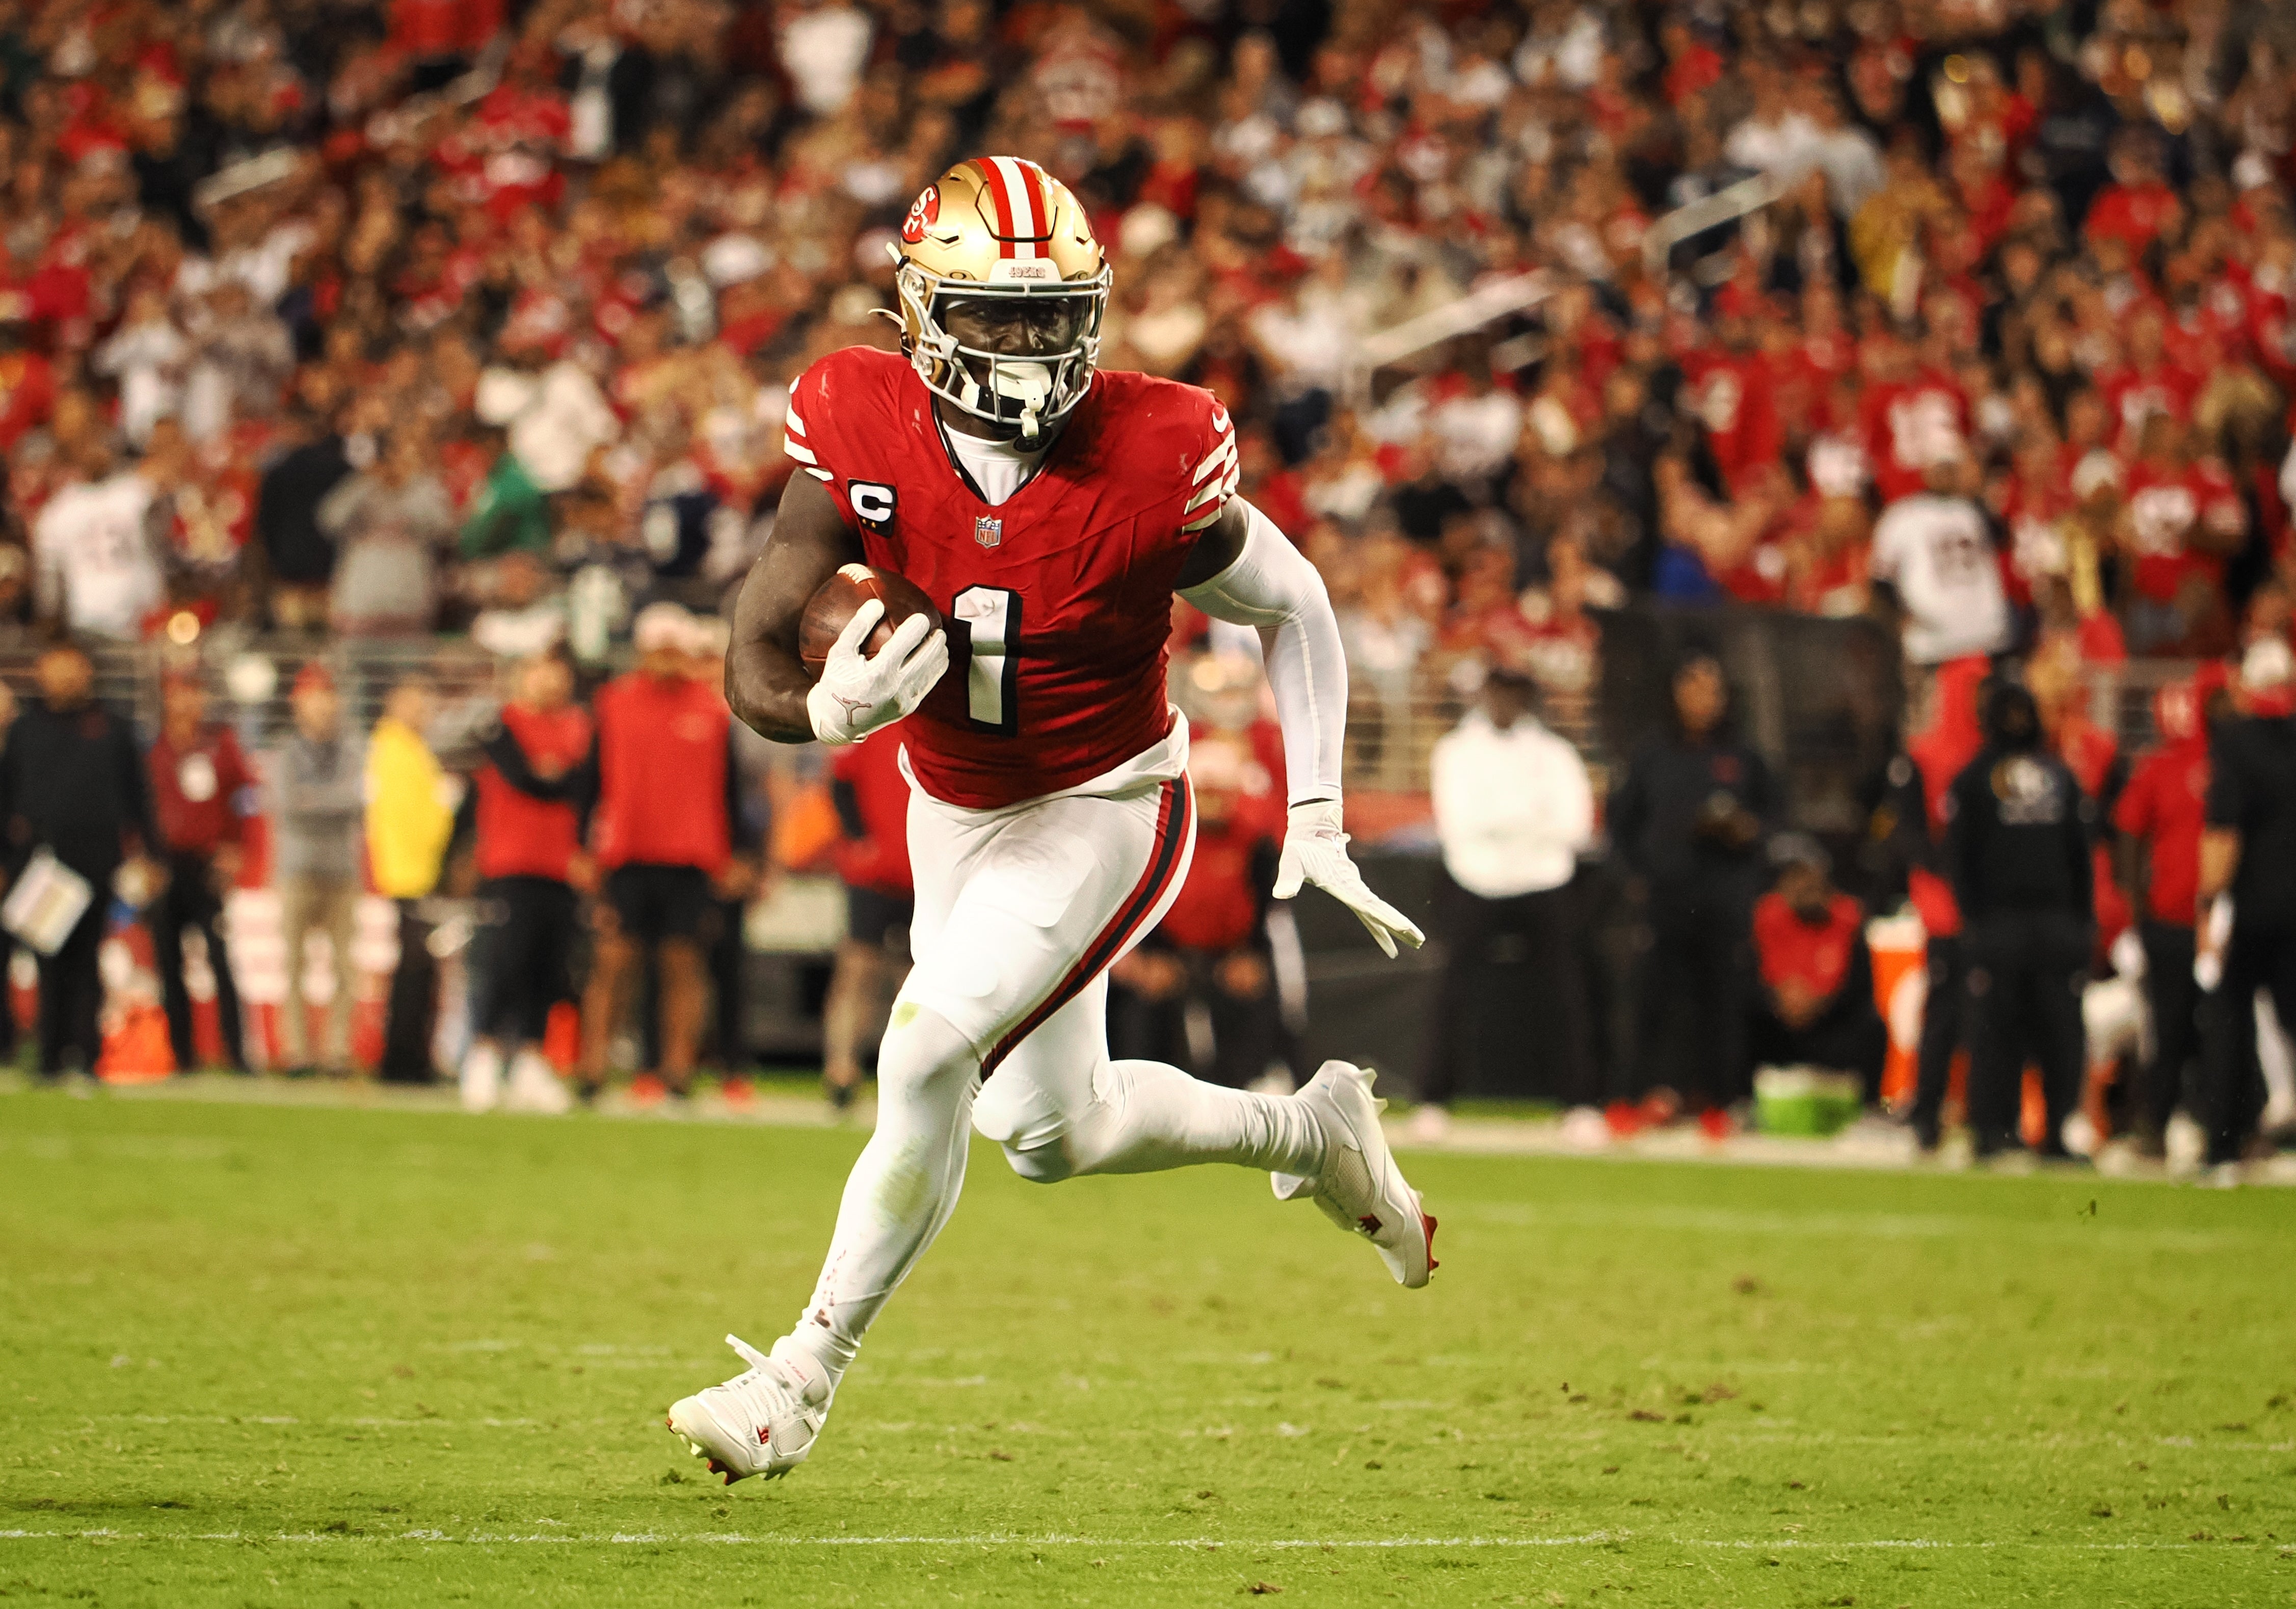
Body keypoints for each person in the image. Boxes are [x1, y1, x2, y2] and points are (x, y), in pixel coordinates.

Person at [674, 157, 1428, 1485]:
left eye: (1049, 312)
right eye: (995, 314)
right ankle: (1312, 1131)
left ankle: (799, 1376)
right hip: (950, 805)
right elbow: (751, 649)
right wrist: (827, 715)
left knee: (920, 1056)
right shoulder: (852, 412)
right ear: (917, 312)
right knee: (1050, 1134)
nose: (1026, 343)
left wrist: (1316, 807)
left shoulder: (1157, 444)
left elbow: (1295, 600)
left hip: (1104, 799)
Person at [1413, 665, 1597, 1141]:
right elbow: (1457, 822)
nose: (1506, 702)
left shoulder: (1557, 754)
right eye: (1499, 691)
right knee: (1451, 990)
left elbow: (1576, 827)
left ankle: (1578, 1104)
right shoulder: (1455, 751)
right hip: (1475, 877)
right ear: (1485, 694)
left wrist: (1505, 825)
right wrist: (1530, 822)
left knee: (1566, 992)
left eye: (1516, 692)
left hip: (1546, 879)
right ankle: (1433, 1101)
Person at [580, 604, 757, 1100]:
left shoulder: (711, 712)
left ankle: (678, 1069)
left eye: (673, 649)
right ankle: (593, 1066)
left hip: (691, 854)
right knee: (615, 961)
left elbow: (731, 790)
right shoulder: (613, 703)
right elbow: (591, 778)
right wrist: (581, 845)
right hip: (628, 852)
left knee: (684, 963)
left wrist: (737, 853)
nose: (666, 659)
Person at [1609, 651, 1777, 1124]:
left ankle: (1721, 1103)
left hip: (1722, 899)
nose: (1705, 699)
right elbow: (1621, 826)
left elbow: (1774, 823)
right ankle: (1633, 1097)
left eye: (1713, 688)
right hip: (1665, 898)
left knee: (1721, 1003)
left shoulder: (1744, 756)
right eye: (1695, 686)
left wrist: (1746, 831)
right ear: (1677, 692)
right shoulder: (1652, 754)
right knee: (1651, 1002)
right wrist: (1637, 879)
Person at [1945, 677, 2095, 1159]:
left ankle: (2055, 1130)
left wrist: (2081, 923)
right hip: (2001, 922)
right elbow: (1959, 856)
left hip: (2052, 923)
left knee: (2060, 1032)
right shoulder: (1972, 780)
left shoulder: (2060, 777)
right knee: (1994, 1029)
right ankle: (1992, 1127)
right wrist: (1974, 921)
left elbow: (2079, 855)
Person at [0, 639, 158, 1077]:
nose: (64, 675)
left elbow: (139, 797)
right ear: (40, 671)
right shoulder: (26, 729)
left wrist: (151, 854)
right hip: (40, 859)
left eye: (72, 665)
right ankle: (49, 1055)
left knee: (89, 958)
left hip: (96, 856)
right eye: (55, 665)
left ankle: (88, 1055)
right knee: (48, 957)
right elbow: (7, 795)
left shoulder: (113, 726)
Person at [1105, 732, 1288, 1093]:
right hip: (1162, 950)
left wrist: (1252, 955)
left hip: (1228, 953)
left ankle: (1255, 1082)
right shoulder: (1155, 839)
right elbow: (1129, 903)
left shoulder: (1256, 845)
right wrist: (1139, 961)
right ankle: (1131, 1088)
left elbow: (1268, 909)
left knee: (1254, 991)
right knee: (1136, 1003)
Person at [462, 646, 591, 1115]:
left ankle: (532, 1060)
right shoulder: (501, 723)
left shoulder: (578, 726)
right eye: (541, 672)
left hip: (561, 864)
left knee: (548, 968)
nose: (550, 683)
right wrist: (555, 775)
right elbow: (530, 780)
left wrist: (557, 777)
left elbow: (581, 783)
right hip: (510, 863)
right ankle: (483, 1052)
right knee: (505, 963)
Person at [2195, 639, 2296, 1174]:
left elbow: (2224, 832)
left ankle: (2224, 1146)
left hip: (2256, 906)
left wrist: (2209, 903)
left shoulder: (2235, 741)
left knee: (2230, 1021)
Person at [2112, 672, 2220, 1156]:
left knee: (2208, 1028)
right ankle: (2164, 1123)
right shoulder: (2172, 767)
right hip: (2185, 919)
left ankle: (2217, 1122)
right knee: (2181, 1027)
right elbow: (2130, 834)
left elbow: (2129, 835)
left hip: (2209, 920)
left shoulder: (2225, 763)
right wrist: (2138, 908)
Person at [145, 667, 253, 1074]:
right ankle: (182, 1054)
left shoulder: (221, 745)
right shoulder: (154, 749)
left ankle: (237, 1054)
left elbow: (244, 796)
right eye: (179, 693)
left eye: (195, 693)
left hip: (208, 864)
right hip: (166, 864)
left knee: (221, 961)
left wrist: (236, 847)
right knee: (169, 963)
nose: (188, 702)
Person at [272, 664, 364, 1076]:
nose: (324, 709)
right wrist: (330, 801)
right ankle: (296, 1051)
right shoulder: (285, 751)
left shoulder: (353, 749)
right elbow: (288, 804)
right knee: (293, 964)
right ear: (299, 707)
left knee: (346, 966)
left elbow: (357, 799)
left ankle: (337, 1051)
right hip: (297, 869)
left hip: (342, 871)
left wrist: (316, 799)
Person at [1748, 835, 1886, 1106]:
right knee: (1740, 1018)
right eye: (1796, 877)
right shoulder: (1767, 916)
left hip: (1829, 1022)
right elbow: (1751, 979)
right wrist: (1778, 1002)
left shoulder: (1847, 918)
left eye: (1810, 876)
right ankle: (1740, 1101)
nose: (1805, 885)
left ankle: (1868, 1106)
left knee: (1873, 1026)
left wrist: (1820, 1003)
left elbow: (1859, 986)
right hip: (1779, 1024)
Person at [366, 676, 456, 1083]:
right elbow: (410, 819)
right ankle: (402, 1060)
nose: (423, 714)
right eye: (416, 706)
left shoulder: (411, 750)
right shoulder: (395, 750)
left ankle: (412, 1055)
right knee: (414, 969)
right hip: (411, 873)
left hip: (416, 871)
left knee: (420, 970)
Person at [821, 725, 913, 1113]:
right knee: (860, 968)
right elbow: (840, 786)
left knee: (917, 979)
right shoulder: (873, 722)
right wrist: (860, 840)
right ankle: (841, 1070)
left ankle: (911, 1075)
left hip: (923, 869)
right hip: (876, 869)